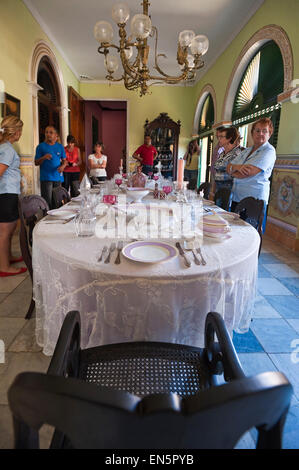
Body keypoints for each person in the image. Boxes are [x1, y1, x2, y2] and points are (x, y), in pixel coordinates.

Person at [226, 117, 276, 228]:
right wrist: (238, 167)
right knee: (235, 229)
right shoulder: (247, 150)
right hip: (237, 197)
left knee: (249, 233)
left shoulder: (269, 151)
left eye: (265, 131)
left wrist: (233, 170)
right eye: (257, 130)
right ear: (252, 133)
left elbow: (248, 172)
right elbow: (228, 167)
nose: (260, 133)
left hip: (254, 200)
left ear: (270, 134)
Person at [0, 115, 27, 277]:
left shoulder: (5, 147)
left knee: (8, 230)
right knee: (5, 231)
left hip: (8, 192)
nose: (21, 134)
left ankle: (7, 257)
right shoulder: (7, 150)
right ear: (15, 132)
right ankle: (4, 267)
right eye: (20, 131)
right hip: (6, 193)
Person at [34, 126, 67, 209]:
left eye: (51, 132)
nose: (48, 134)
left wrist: (63, 166)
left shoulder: (60, 147)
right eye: (46, 132)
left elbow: (64, 160)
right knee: (47, 202)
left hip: (57, 178)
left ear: (56, 135)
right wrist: (44, 157)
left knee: (58, 201)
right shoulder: (40, 147)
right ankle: (47, 220)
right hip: (46, 178)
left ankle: (57, 220)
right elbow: (36, 162)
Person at [213, 126, 242, 192]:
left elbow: (235, 173)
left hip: (229, 189)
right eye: (218, 137)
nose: (219, 139)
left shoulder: (236, 153)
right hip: (219, 188)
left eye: (221, 137)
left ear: (229, 138)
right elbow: (217, 171)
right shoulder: (222, 153)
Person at [209, 126, 225, 199]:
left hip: (220, 173)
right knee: (213, 192)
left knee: (218, 194)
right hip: (214, 170)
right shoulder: (218, 145)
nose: (217, 137)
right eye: (217, 136)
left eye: (219, 136)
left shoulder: (225, 146)